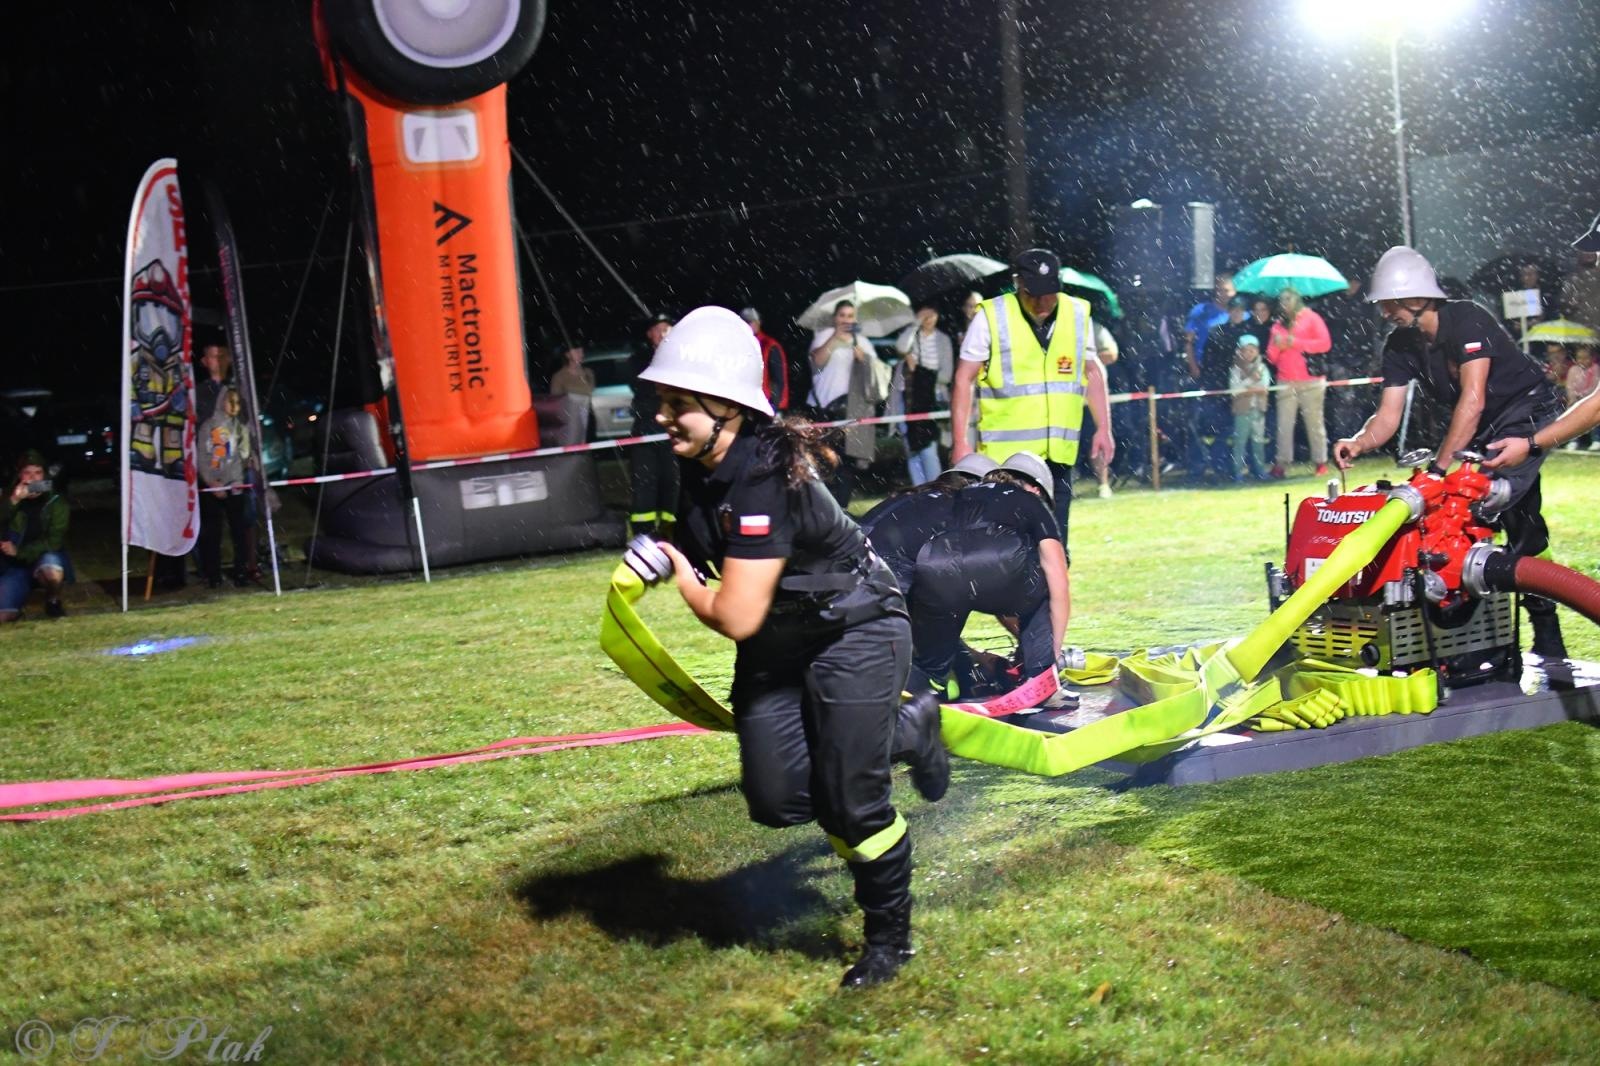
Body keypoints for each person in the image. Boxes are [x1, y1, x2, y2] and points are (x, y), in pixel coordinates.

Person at [636, 305, 949, 989]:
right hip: (785, 639)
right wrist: (665, 552)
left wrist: (682, 578)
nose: (662, 416)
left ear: (723, 406)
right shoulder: (702, 461)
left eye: (677, 404)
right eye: (661, 401)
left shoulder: (763, 477)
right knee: (777, 799)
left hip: (854, 626)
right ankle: (889, 735)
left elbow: (735, 614)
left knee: (851, 803)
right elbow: (701, 539)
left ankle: (888, 937)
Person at [1334, 246, 1568, 658]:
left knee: (1487, 498)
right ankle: (1471, 635)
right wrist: (1359, 440)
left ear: (1415, 296)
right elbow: (1386, 417)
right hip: (1482, 426)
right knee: (1494, 513)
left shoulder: (1467, 318)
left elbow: (1473, 399)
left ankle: (1541, 622)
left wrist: (1440, 471)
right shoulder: (1400, 344)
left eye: (1390, 303)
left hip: (1526, 410)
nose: (1386, 312)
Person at [865, 451, 1070, 701]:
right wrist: (1050, 656)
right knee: (1042, 590)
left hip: (917, 566)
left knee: (933, 664)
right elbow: (1056, 585)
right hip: (887, 572)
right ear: (1038, 491)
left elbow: (964, 573)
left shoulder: (935, 500)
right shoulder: (1027, 502)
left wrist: (975, 655)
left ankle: (926, 685)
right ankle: (1042, 683)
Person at [950, 247, 1115, 544]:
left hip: (1058, 458)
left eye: (1050, 293)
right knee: (1008, 547)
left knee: (1055, 546)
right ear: (1018, 284)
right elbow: (964, 378)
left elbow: (1093, 371)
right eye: (1034, 294)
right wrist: (961, 441)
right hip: (1006, 464)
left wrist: (1104, 428)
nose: (1042, 303)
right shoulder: (991, 316)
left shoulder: (1078, 314)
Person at [807, 301, 890, 508]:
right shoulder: (824, 335)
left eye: (850, 315)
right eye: (842, 315)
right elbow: (816, 362)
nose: (846, 319)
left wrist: (864, 359)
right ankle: (822, 506)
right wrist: (835, 338)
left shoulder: (861, 340)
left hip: (853, 408)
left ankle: (841, 508)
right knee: (823, 460)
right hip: (825, 408)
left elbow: (876, 373)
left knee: (846, 463)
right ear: (835, 318)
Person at [1264, 286, 1332, 478]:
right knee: (1283, 425)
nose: (1284, 304)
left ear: (1296, 299)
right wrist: (1277, 346)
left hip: (1311, 380)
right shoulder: (1278, 324)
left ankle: (1320, 462)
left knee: (1315, 423)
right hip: (1285, 381)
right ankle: (1281, 463)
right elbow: (1271, 357)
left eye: (1288, 299)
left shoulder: (1312, 318)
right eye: (1282, 300)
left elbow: (1325, 344)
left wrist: (1295, 342)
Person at [197, 389, 258, 588]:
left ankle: (240, 571)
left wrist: (237, 479)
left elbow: (241, 459)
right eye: (229, 401)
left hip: (235, 486)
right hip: (212, 487)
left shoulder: (240, 428)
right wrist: (212, 482)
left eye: (236, 402)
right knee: (213, 533)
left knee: (239, 531)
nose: (233, 406)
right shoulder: (208, 427)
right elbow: (202, 458)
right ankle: (212, 574)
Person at [0, 451, 71, 622]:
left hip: (42, 556)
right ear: (20, 475)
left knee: (51, 565)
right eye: (27, 473)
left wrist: (19, 551)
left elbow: (53, 541)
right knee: (4, 613)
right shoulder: (8, 496)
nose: (33, 479)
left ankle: (53, 600)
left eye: (38, 473)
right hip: (14, 566)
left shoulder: (56, 502)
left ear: (44, 475)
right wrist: (14, 500)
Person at [627, 312, 677, 536]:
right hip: (646, 430)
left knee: (672, 481)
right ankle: (642, 532)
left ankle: (672, 528)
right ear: (650, 334)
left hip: (670, 430)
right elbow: (644, 387)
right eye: (658, 329)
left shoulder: (680, 357)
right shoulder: (639, 359)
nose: (663, 333)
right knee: (644, 483)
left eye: (667, 328)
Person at [891, 303, 952, 486]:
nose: (928, 318)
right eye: (924, 314)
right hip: (907, 398)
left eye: (932, 313)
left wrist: (920, 373)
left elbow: (946, 374)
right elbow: (900, 347)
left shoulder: (943, 340)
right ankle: (920, 489)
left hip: (931, 399)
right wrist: (915, 324)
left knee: (928, 446)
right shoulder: (912, 335)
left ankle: (935, 488)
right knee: (911, 447)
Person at [1182, 273, 1236, 481]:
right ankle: (1200, 466)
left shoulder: (1240, 312)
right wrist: (1193, 365)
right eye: (1220, 290)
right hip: (1206, 372)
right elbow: (1188, 340)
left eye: (1228, 290)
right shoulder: (1201, 312)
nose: (1224, 294)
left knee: (1228, 423)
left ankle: (1222, 464)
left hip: (1232, 374)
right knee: (1203, 422)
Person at [1228, 334, 1271, 482]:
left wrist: (1246, 387)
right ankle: (1238, 471)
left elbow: (1264, 387)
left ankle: (1260, 470)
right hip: (1242, 411)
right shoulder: (1236, 369)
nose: (1249, 353)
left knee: (1258, 442)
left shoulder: (1262, 368)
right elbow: (1234, 389)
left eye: (1252, 350)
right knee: (1240, 442)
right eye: (1245, 350)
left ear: (1257, 351)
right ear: (1240, 351)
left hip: (1258, 410)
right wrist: (1250, 382)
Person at [739, 307, 790, 413]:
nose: (748, 325)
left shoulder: (769, 345)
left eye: (751, 321)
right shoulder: (740, 344)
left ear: (758, 323)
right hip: (747, 403)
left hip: (765, 404)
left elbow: (777, 380)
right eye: (745, 322)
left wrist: (772, 407)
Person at [549, 345, 596, 446]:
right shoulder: (559, 376)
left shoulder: (588, 372)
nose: (581, 355)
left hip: (587, 413)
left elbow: (590, 391)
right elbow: (556, 399)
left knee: (588, 443)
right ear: (567, 354)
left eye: (582, 352)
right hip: (569, 419)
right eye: (577, 351)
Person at [1559, 343, 1599, 449]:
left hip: (1590, 399)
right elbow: (1569, 386)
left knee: (1593, 415)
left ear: (1592, 358)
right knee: (1572, 416)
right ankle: (1573, 440)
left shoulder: (1595, 369)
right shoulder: (1573, 370)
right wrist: (1573, 397)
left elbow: (1595, 386)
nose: (1583, 361)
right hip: (1575, 401)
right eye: (1580, 358)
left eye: (1586, 358)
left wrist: (1584, 396)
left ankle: (1596, 439)